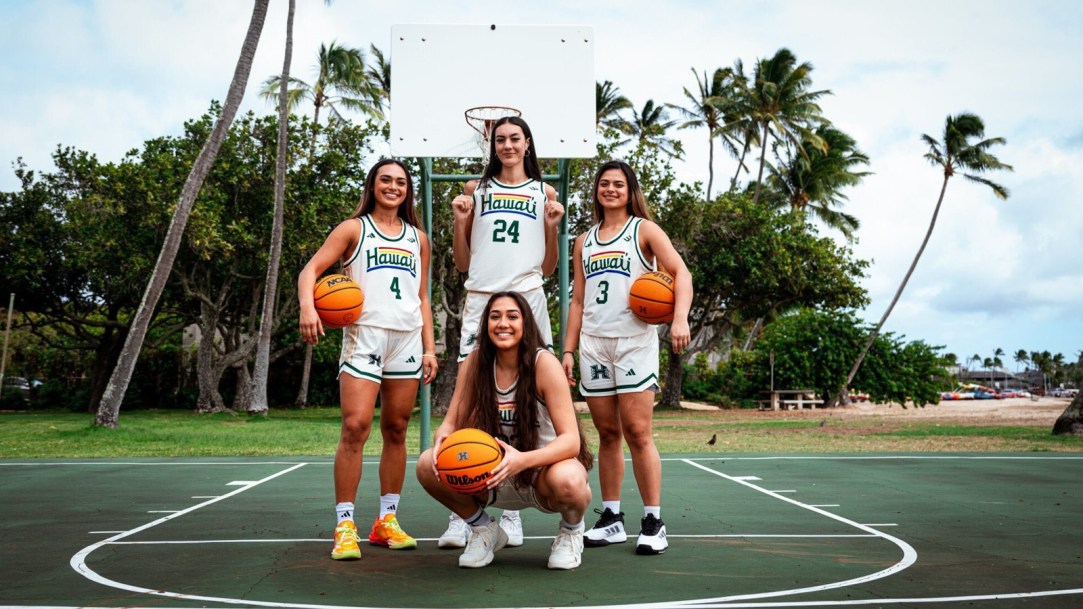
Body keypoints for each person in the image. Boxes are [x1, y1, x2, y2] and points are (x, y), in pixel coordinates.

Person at [298, 159, 438, 561]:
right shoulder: (353, 229)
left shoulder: (418, 238)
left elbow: (422, 297)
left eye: (400, 182)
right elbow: (310, 270)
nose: (393, 187)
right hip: (365, 334)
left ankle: (386, 521)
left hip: (406, 338)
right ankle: (345, 525)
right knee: (355, 427)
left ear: (408, 190)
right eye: (385, 180)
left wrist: (429, 347)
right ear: (372, 186)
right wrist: (308, 308)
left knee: (396, 428)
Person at [440, 115, 565, 548]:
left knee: (528, 397)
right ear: (491, 145)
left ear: (528, 143)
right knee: (472, 398)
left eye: (515, 138)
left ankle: (513, 510)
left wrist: (551, 228)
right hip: (481, 298)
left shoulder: (545, 193)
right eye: (500, 140)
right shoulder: (475, 190)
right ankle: (463, 507)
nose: (507, 146)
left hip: (527, 299)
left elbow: (548, 267)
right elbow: (462, 262)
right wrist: (460, 221)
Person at [560, 160, 692, 555]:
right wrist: (568, 350)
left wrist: (680, 317)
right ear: (596, 191)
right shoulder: (584, 241)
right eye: (604, 184)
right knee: (607, 434)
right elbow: (578, 300)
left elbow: (681, 273)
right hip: (594, 343)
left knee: (637, 432)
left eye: (618, 184)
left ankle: (653, 521)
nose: (610, 189)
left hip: (634, 341)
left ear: (630, 190)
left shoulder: (644, 230)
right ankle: (612, 518)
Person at [416, 291, 593, 569]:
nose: (503, 324)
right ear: (486, 324)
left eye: (512, 316)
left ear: (525, 323)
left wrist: (522, 460)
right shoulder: (475, 363)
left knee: (570, 479)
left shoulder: (544, 364)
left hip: (540, 474)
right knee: (428, 464)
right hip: (491, 474)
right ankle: (484, 529)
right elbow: (450, 424)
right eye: (495, 316)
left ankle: (571, 533)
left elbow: (571, 441)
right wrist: (442, 439)